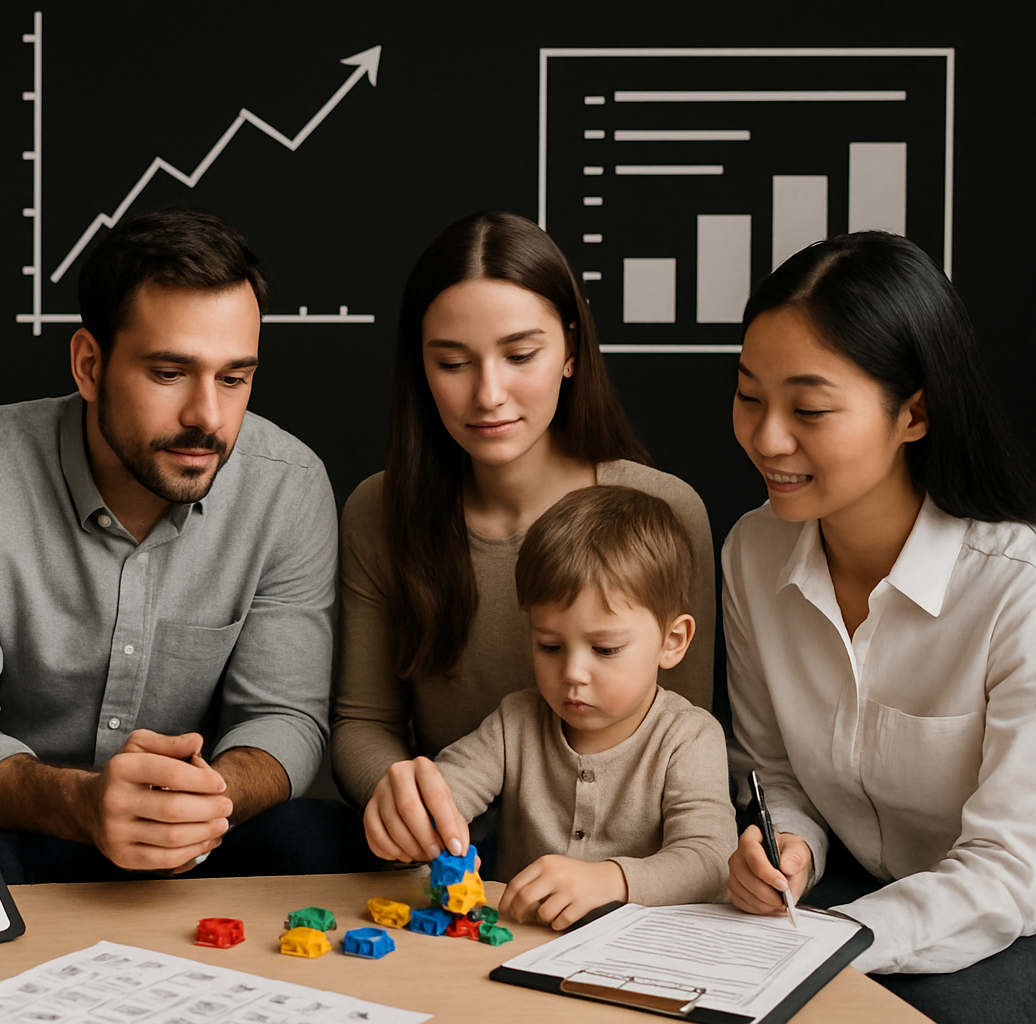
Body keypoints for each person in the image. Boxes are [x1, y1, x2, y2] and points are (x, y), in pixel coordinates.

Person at [0, 209, 367, 883]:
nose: (207, 415)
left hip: (200, 830)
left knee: (328, 845)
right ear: (89, 365)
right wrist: (85, 804)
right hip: (27, 829)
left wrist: (202, 802)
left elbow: (283, 717)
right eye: (170, 373)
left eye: (234, 378)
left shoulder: (288, 486)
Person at [724, 231, 1036, 1023]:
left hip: (1000, 929)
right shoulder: (752, 554)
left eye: (810, 409)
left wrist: (835, 937)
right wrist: (788, 850)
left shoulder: (1014, 589)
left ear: (915, 413)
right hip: (843, 906)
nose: (767, 438)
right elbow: (774, 774)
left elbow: (1008, 869)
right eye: (749, 394)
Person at [332, 210, 716, 828]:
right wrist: (408, 800)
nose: (488, 395)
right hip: (446, 827)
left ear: (569, 350)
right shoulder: (379, 510)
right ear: (421, 369)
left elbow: (685, 730)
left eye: (520, 355)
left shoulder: (665, 511)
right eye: (453, 364)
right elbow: (364, 722)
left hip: (610, 835)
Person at [365, 485, 734, 929]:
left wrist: (610, 880)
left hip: (639, 951)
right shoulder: (515, 722)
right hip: (514, 939)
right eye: (550, 645)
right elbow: (447, 796)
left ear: (672, 641)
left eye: (606, 648)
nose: (573, 672)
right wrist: (410, 822)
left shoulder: (688, 737)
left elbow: (709, 859)